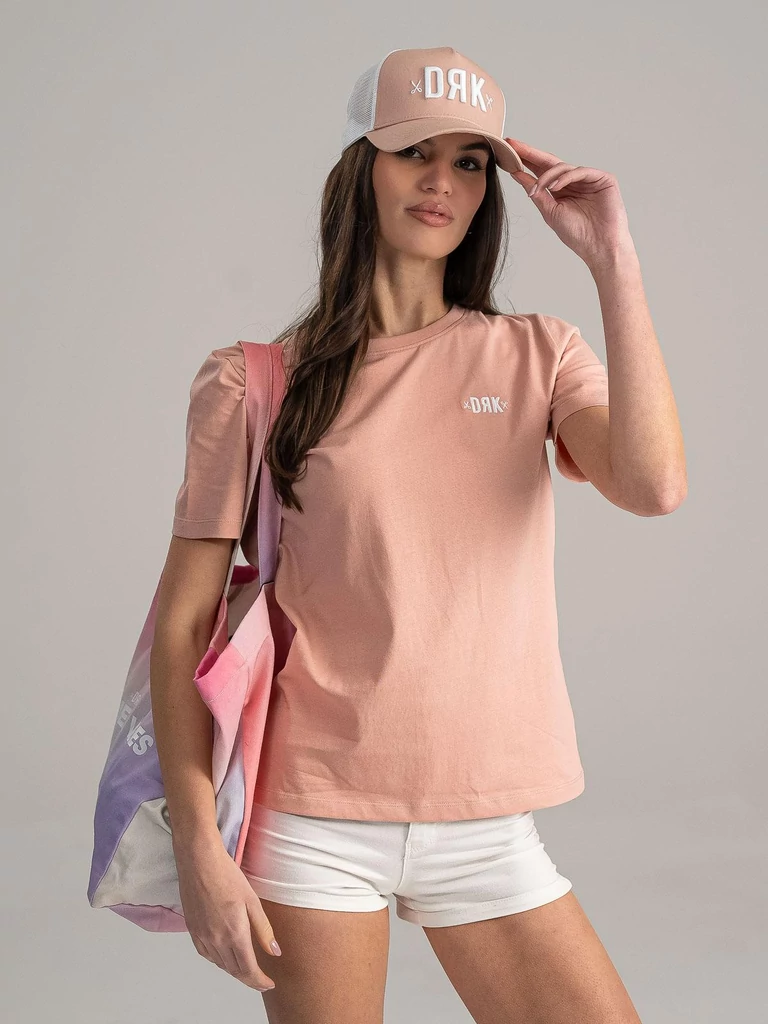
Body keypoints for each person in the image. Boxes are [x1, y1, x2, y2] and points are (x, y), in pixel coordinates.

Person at [151, 45, 686, 1023]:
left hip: (485, 824)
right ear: (362, 167)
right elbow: (184, 627)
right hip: (311, 819)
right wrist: (197, 846)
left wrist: (614, 260)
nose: (442, 181)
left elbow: (653, 486)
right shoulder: (255, 382)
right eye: (413, 152)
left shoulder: (538, 354)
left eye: (470, 161)